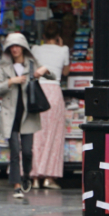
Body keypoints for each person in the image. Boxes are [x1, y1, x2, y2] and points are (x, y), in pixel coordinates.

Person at [0, 33, 54, 199]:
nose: (15, 49)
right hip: (10, 114)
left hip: (28, 114)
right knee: (14, 151)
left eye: (17, 46)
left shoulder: (31, 64)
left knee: (27, 151)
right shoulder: (4, 67)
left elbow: (52, 76)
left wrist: (44, 70)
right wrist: (11, 82)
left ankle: (26, 175)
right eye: (11, 46)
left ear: (24, 48)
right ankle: (17, 185)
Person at [31, 22, 70, 189]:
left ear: (43, 37)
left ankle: (33, 177)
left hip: (37, 92)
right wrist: (61, 47)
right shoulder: (64, 50)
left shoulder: (35, 49)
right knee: (53, 136)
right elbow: (66, 72)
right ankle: (49, 177)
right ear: (58, 36)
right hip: (54, 92)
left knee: (35, 134)